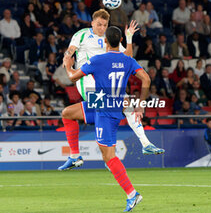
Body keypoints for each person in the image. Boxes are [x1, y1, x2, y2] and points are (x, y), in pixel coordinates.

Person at [62, 26, 145, 211]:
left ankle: (132, 194)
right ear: (120, 41)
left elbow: (73, 78)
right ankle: (75, 155)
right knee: (67, 113)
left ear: (105, 41)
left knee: (108, 157)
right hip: (103, 103)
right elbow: (145, 79)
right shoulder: (126, 60)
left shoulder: (97, 60)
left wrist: (68, 65)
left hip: (105, 112)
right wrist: (141, 104)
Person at [61, 9, 163, 155]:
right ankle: (105, 153)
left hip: (104, 78)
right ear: (92, 23)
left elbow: (127, 58)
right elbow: (70, 51)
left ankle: (145, 143)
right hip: (86, 79)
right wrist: (67, 59)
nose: (102, 28)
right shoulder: (82, 35)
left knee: (126, 105)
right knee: (111, 109)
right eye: (99, 25)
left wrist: (128, 38)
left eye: (105, 25)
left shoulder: (110, 37)